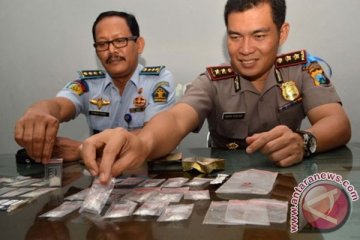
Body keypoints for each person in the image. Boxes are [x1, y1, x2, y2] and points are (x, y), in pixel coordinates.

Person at [81, 0, 351, 184]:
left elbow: (337, 123)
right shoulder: (212, 81)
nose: (245, 49)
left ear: (282, 33)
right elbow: (176, 119)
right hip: (226, 189)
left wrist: (303, 142)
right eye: (235, 36)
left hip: (289, 182)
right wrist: (142, 143)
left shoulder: (303, 68)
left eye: (259, 36)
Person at [14, 11, 176, 163]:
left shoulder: (158, 80)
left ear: (139, 45)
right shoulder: (89, 83)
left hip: (148, 173)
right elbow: (58, 105)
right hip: (100, 177)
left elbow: (153, 137)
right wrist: (39, 111)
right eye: (102, 44)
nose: (111, 50)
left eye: (120, 41)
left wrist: (83, 149)